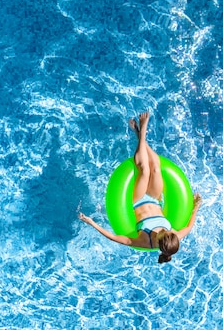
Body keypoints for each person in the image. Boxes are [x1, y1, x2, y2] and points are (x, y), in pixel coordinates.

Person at [78, 111, 202, 263]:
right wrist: (196, 206)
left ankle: (141, 132)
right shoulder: (173, 235)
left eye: (163, 232)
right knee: (156, 167)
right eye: (168, 230)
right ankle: (139, 134)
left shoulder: (146, 241)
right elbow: (189, 227)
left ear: (160, 241)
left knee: (145, 170)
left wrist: (91, 222)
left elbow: (115, 238)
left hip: (138, 200)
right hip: (155, 198)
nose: (166, 229)